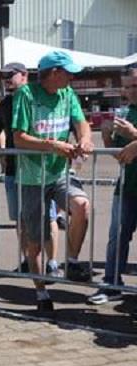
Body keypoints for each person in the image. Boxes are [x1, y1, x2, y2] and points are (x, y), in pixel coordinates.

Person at [12, 50, 94, 312]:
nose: (72, 77)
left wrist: (85, 139)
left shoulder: (67, 94)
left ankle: (71, 260)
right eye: (68, 72)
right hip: (32, 178)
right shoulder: (26, 94)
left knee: (82, 206)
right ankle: (40, 293)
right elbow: (19, 138)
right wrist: (52, 146)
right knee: (35, 241)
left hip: (59, 174)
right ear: (54, 72)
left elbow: (82, 123)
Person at [0, 62, 62, 279]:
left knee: (48, 216)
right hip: (14, 171)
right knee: (20, 218)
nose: (7, 80)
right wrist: (3, 153)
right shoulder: (4, 104)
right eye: (4, 76)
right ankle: (28, 260)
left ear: (25, 75)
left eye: (10, 75)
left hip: (40, 170)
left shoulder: (37, 98)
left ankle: (52, 262)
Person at [88, 67, 137, 305]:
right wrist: (108, 135)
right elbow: (120, 155)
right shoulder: (128, 112)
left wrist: (134, 136)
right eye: (127, 87)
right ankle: (112, 283)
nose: (130, 91)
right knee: (117, 237)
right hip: (127, 186)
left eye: (134, 86)